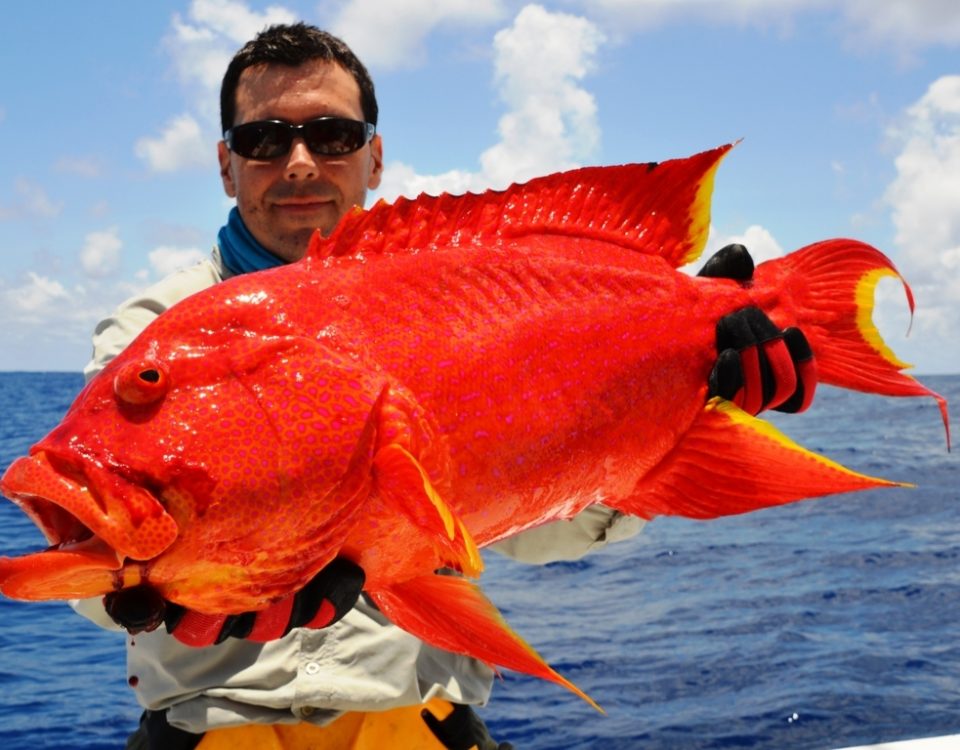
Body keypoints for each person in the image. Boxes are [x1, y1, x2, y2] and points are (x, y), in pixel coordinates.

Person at [74, 22, 816, 750]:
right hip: (208, 730)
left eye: (332, 136)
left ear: (375, 157)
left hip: (423, 724)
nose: (298, 162)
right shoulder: (157, 330)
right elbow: (87, 563)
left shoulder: (460, 291)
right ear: (226, 165)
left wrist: (678, 398)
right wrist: (161, 601)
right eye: (263, 140)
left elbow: (535, 530)